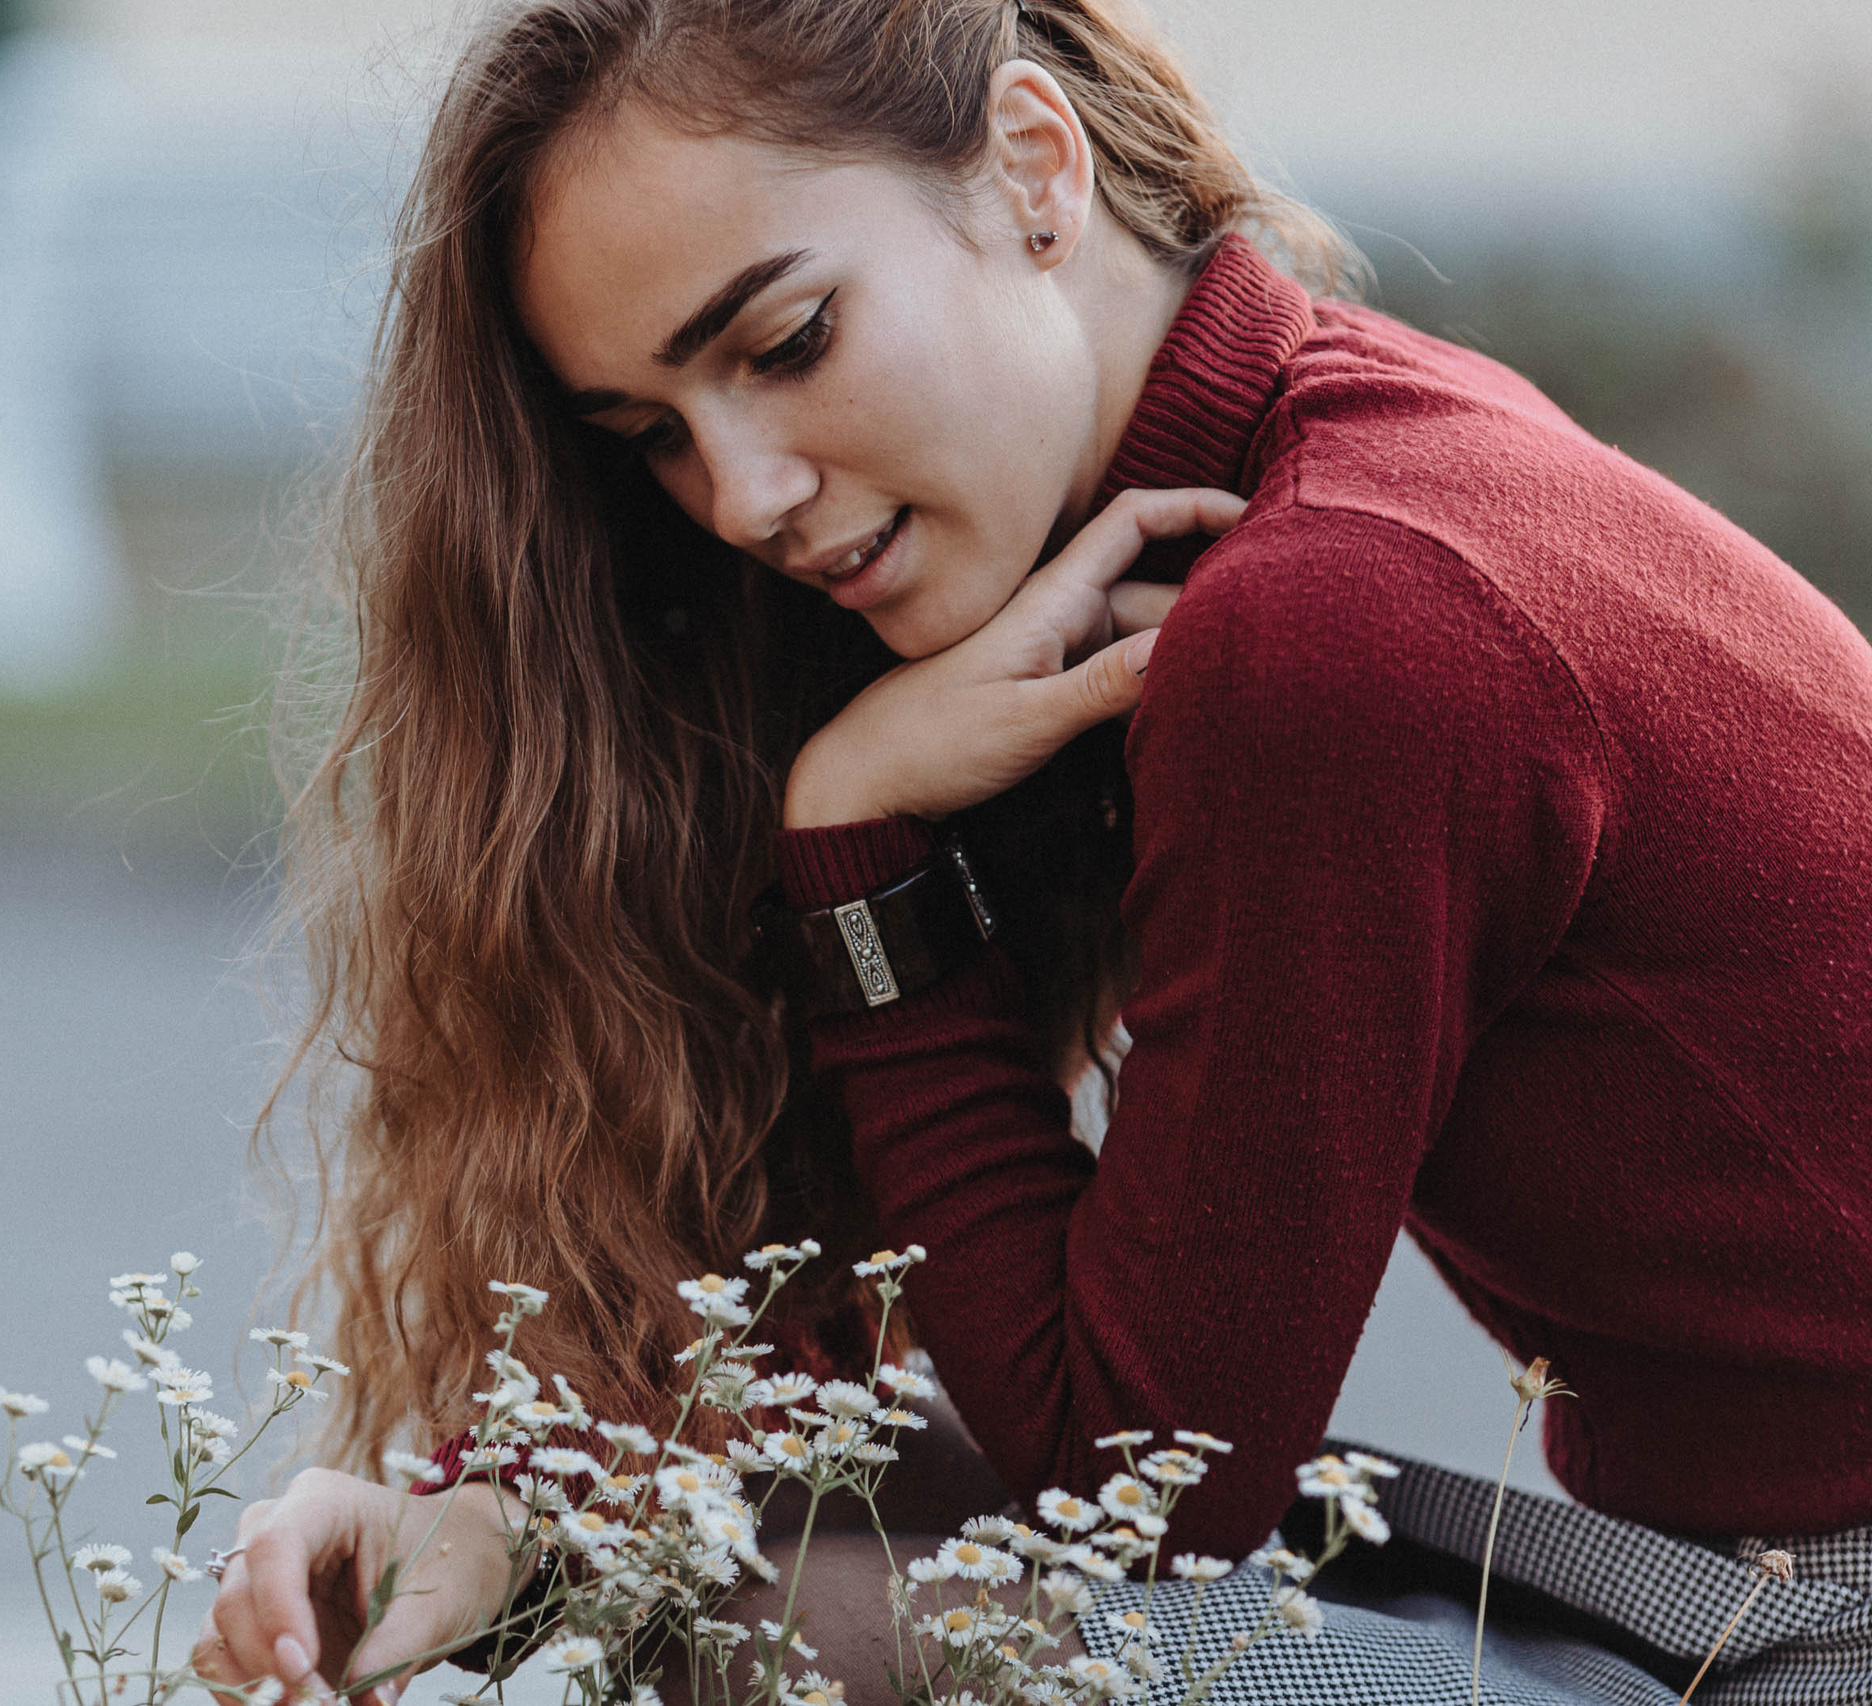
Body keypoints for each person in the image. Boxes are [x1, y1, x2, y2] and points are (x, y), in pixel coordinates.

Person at [196, 0, 1872, 1700]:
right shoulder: (1324, 477)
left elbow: (1134, 1508)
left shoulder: (1339, 617)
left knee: (827, 1648)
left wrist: (859, 862)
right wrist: (519, 1524)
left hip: (1820, 1624)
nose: (747, 493)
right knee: (731, 1593)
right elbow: (1104, 1442)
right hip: (1715, 1585)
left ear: (1035, 170)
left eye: (785, 343)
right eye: (654, 436)